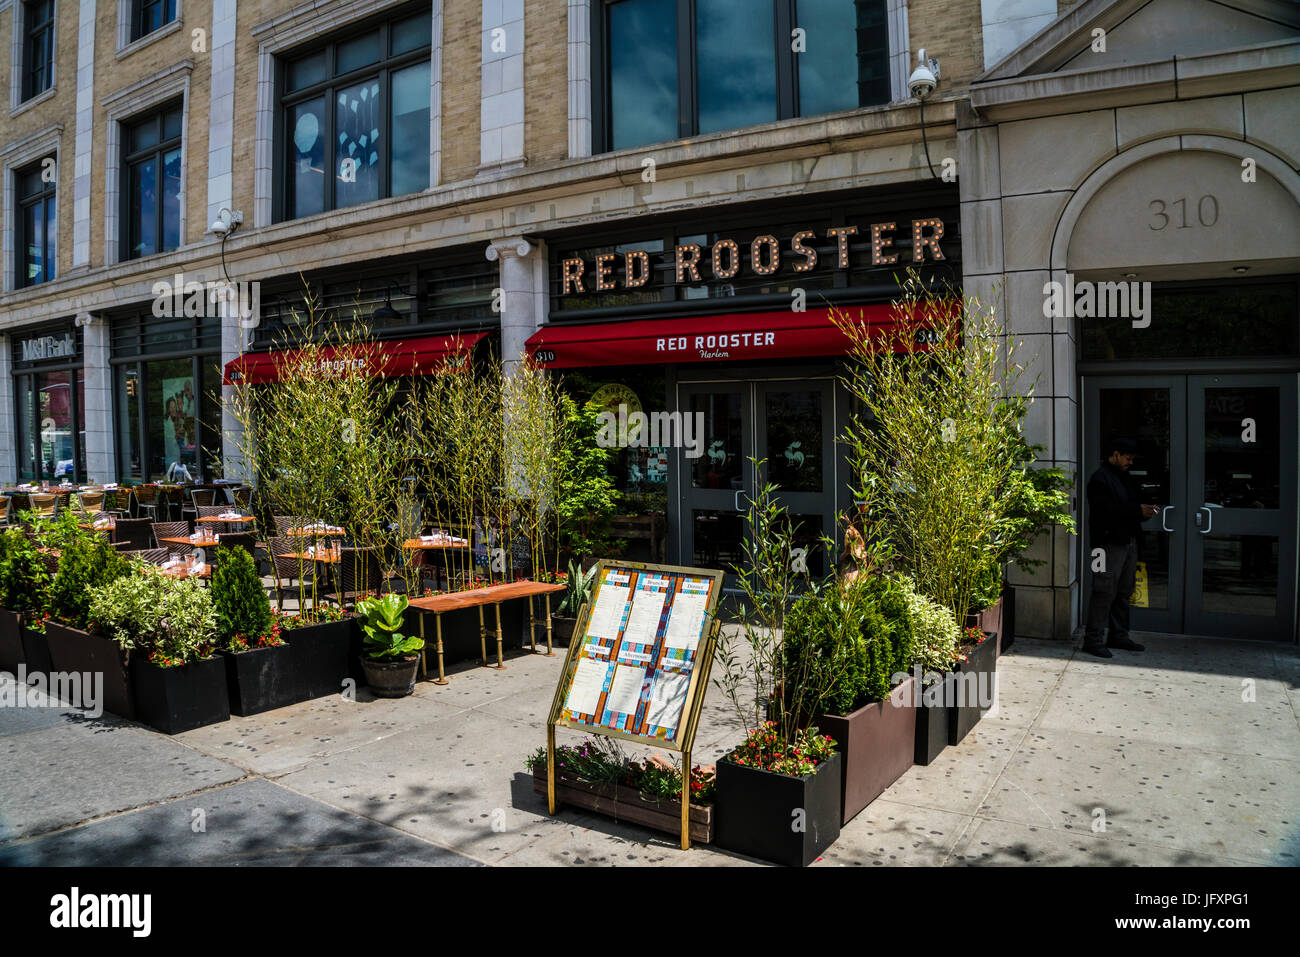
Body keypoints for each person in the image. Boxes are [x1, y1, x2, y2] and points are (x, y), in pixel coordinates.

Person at [1083, 436, 1160, 658]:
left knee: (1124, 592)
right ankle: (1093, 640)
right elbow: (1105, 511)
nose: (1130, 462)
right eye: (1127, 457)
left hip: (1127, 541)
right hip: (1106, 544)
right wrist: (1138, 511)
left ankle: (1118, 636)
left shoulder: (1124, 478)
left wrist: (1145, 510)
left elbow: (1130, 507)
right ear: (1115, 454)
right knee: (1103, 591)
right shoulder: (1100, 479)